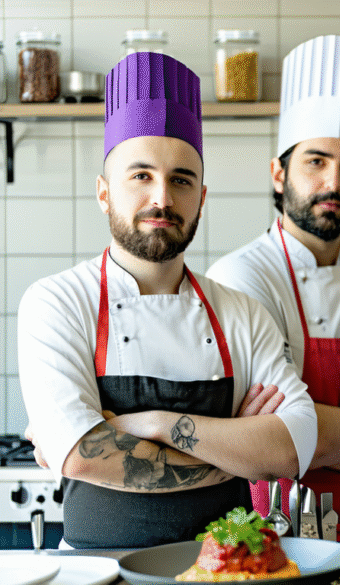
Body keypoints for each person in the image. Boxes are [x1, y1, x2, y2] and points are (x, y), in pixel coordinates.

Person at [17, 52, 317, 549]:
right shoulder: (56, 303)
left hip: (226, 575)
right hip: (96, 577)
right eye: (140, 176)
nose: (163, 197)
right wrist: (233, 446)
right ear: (103, 193)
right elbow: (81, 454)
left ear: (202, 196)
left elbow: (291, 448)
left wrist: (152, 425)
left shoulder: (241, 314)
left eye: (181, 179)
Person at [207, 35, 340, 547]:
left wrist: (302, 439)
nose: (334, 180)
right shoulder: (238, 280)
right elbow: (264, 446)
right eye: (316, 161)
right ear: (279, 176)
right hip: (270, 551)